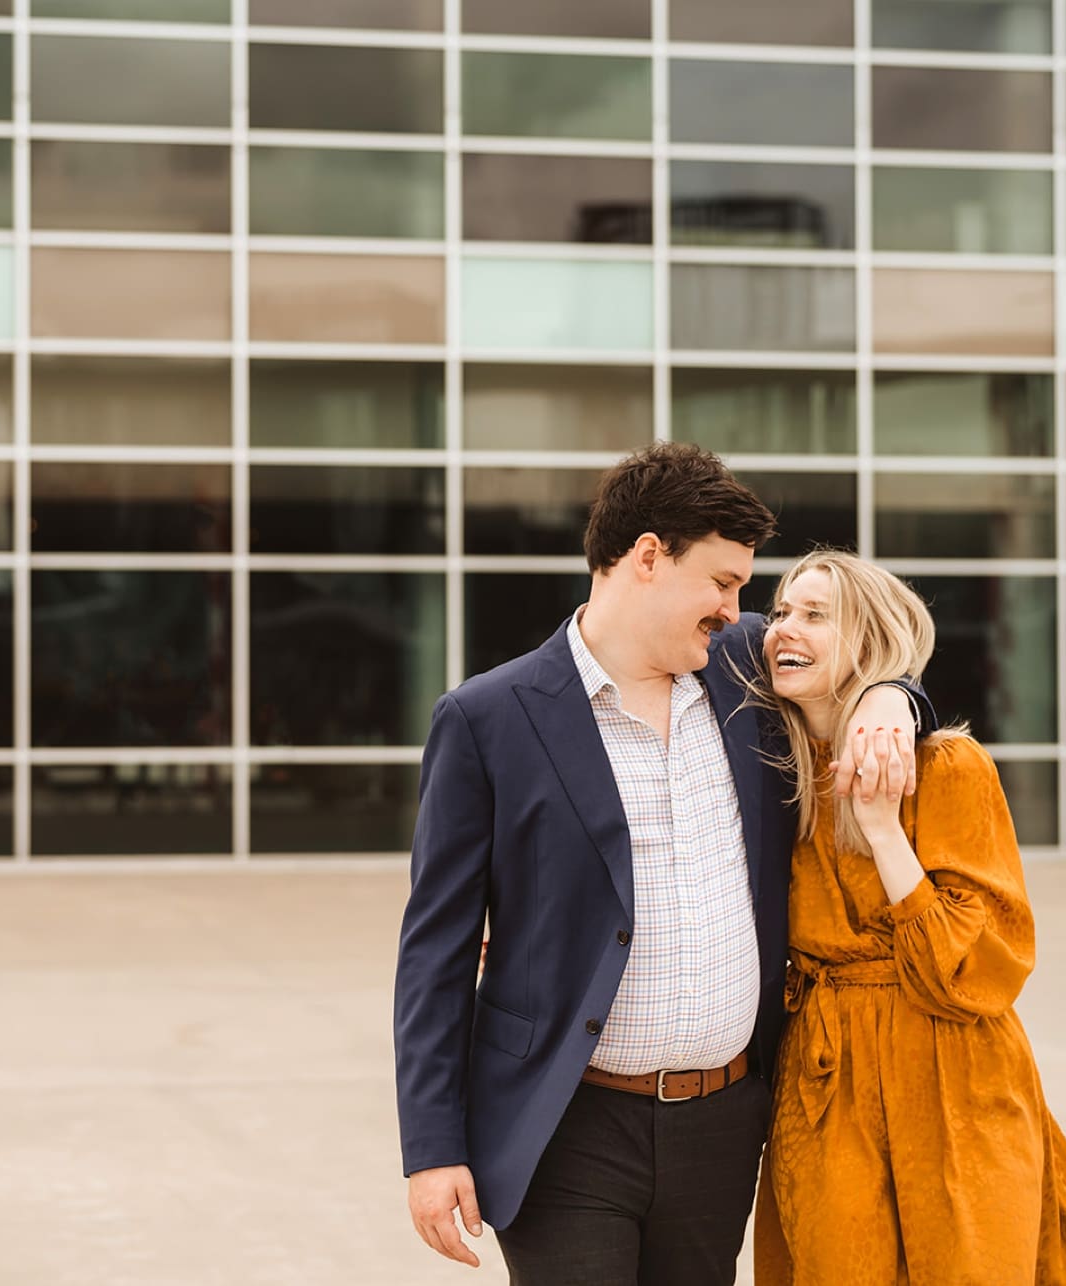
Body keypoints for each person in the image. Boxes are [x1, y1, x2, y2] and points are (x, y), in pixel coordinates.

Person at [393, 444, 937, 1286]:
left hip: (724, 1125)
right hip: (564, 1126)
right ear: (648, 556)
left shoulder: (748, 668)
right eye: (722, 582)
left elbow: (879, 659)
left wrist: (892, 700)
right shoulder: (487, 718)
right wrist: (432, 1148)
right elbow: (436, 949)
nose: (737, 610)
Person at [750, 549, 1066, 1285]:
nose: (784, 628)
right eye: (781, 611)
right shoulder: (773, 768)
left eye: (816, 615)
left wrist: (882, 831)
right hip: (825, 1077)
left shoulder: (948, 767)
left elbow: (976, 970)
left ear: (869, 641)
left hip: (951, 1070)